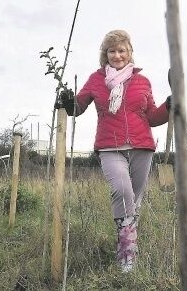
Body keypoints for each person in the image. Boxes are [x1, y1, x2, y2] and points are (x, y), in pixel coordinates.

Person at [58, 29, 170, 273]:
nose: (117, 55)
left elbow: (152, 116)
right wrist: (67, 101)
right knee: (122, 192)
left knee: (134, 202)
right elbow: (77, 107)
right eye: (112, 51)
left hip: (142, 147)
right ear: (105, 54)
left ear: (129, 53)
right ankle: (127, 255)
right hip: (110, 146)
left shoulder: (142, 81)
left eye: (122, 50)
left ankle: (127, 242)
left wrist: (170, 106)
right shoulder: (96, 79)